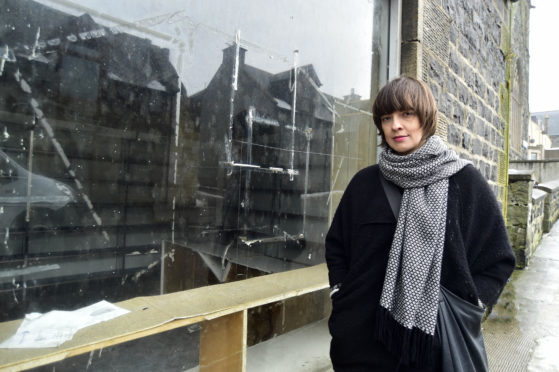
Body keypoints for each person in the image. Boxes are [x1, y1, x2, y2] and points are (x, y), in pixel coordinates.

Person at [325, 76, 515, 371]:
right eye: (386, 117)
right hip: (359, 343)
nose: (395, 125)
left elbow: (498, 259)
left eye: (406, 114)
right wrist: (340, 295)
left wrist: (471, 306)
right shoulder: (364, 183)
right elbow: (337, 245)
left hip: (432, 347)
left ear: (426, 118)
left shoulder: (464, 181)